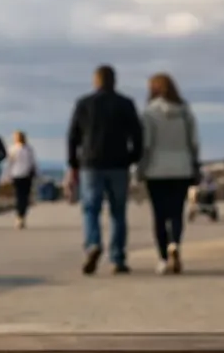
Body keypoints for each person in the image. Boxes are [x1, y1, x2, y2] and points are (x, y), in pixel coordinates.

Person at [67, 65, 144, 274]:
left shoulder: (84, 104)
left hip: (91, 163)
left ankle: (93, 244)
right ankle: (117, 257)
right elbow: (137, 134)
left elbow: (73, 136)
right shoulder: (125, 104)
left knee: (91, 208)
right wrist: (133, 157)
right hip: (119, 163)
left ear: (96, 81)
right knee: (118, 212)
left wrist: (73, 163)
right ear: (114, 81)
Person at [139, 72, 201, 274]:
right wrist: (194, 163)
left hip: (156, 169)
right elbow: (194, 142)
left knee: (159, 215)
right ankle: (174, 244)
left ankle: (163, 259)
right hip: (181, 168)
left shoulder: (149, 113)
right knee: (176, 212)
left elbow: (146, 145)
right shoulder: (185, 111)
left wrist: (140, 169)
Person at [5, 130, 38, 228]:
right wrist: (7, 175)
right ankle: (19, 216)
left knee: (25, 197)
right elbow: (9, 164)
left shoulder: (28, 149)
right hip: (17, 175)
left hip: (26, 175)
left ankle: (22, 216)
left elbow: (33, 162)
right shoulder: (13, 149)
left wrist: (36, 173)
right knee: (19, 196)